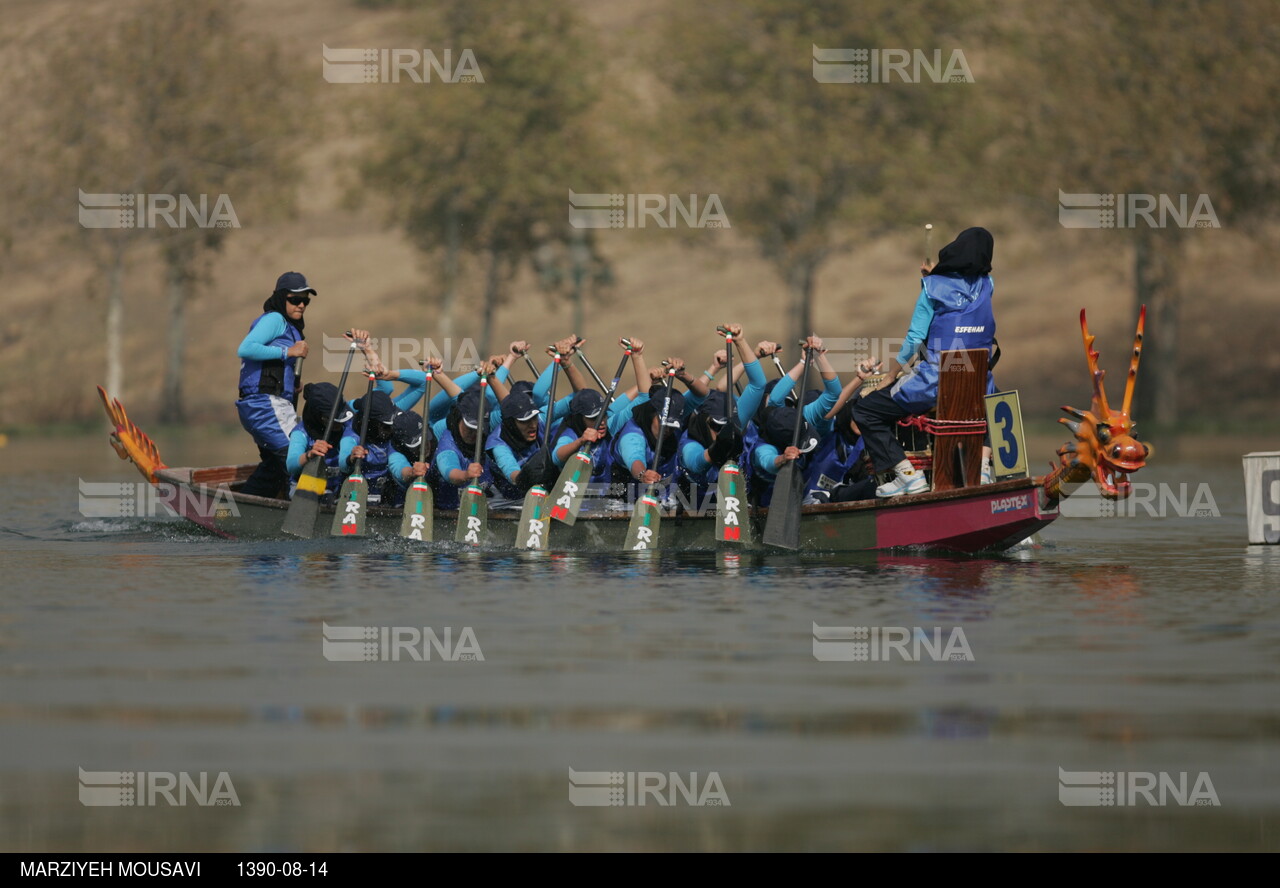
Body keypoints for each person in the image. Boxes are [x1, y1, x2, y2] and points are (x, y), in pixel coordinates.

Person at [853, 227, 997, 497]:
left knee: (865, 410)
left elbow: (915, 339)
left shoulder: (931, 288)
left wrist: (890, 376)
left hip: (933, 385)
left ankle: (907, 476)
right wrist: (937, 277)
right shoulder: (988, 285)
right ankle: (984, 467)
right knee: (991, 404)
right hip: (978, 386)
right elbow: (962, 299)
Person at [235, 271, 314, 497]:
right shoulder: (274, 319)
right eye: (295, 299)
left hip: (266, 406)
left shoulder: (289, 326)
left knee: (273, 468)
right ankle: (312, 509)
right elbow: (246, 348)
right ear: (281, 298)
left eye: (305, 301)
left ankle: (241, 511)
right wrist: (289, 351)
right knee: (299, 459)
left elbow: (271, 366)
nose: (301, 305)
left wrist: (292, 384)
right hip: (265, 406)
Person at [286, 381, 354, 500]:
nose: (340, 424)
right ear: (319, 417)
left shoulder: (346, 424)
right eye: (335, 421)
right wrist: (309, 455)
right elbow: (291, 465)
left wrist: (352, 457)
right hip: (305, 488)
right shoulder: (300, 433)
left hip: (337, 490)